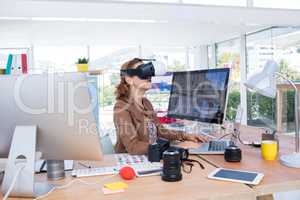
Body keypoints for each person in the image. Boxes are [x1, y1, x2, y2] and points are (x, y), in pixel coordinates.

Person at [113, 58, 208, 155]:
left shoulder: (146, 103)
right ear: (129, 79)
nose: (149, 76)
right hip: (132, 162)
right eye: (142, 71)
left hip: (151, 155)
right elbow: (133, 147)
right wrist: (170, 148)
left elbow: (160, 130)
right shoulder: (121, 107)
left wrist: (185, 135)